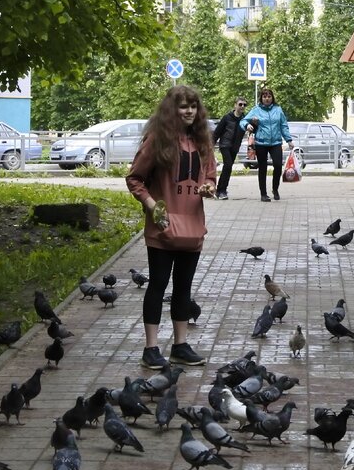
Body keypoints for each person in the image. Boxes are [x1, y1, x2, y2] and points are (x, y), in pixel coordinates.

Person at [126, 85, 217, 370]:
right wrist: (153, 206)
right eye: (183, 106)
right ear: (171, 110)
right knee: (157, 284)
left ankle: (180, 346)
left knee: (184, 287)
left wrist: (209, 188)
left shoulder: (202, 142)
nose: (189, 111)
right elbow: (134, 179)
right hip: (163, 228)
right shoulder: (157, 140)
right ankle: (151, 348)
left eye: (193, 106)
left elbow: (212, 176)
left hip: (192, 227)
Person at [238, 87, 294, 202]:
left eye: (269, 96)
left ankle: (275, 189)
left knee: (278, 165)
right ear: (261, 98)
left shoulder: (278, 110)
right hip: (261, 143)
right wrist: (247, 125)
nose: (267, 99)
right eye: (264, 97)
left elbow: (283, 125)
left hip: (276, 142)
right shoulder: (256, 110)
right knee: (262, 168)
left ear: (272, 98)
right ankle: (263, 194)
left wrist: (288, 139)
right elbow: (243, 121)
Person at [211, 97, 247, 200]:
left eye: (244, 105)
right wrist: (211, 145)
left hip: (235, 147)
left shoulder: (244, 120)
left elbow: (253, 128)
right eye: (240, 104)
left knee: (227, 168)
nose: (242, 107)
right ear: (235, 105)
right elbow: (217, 132)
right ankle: (222, 191)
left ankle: (220, 190)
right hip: (225, 145)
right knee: (228, 165)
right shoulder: (227, 118)